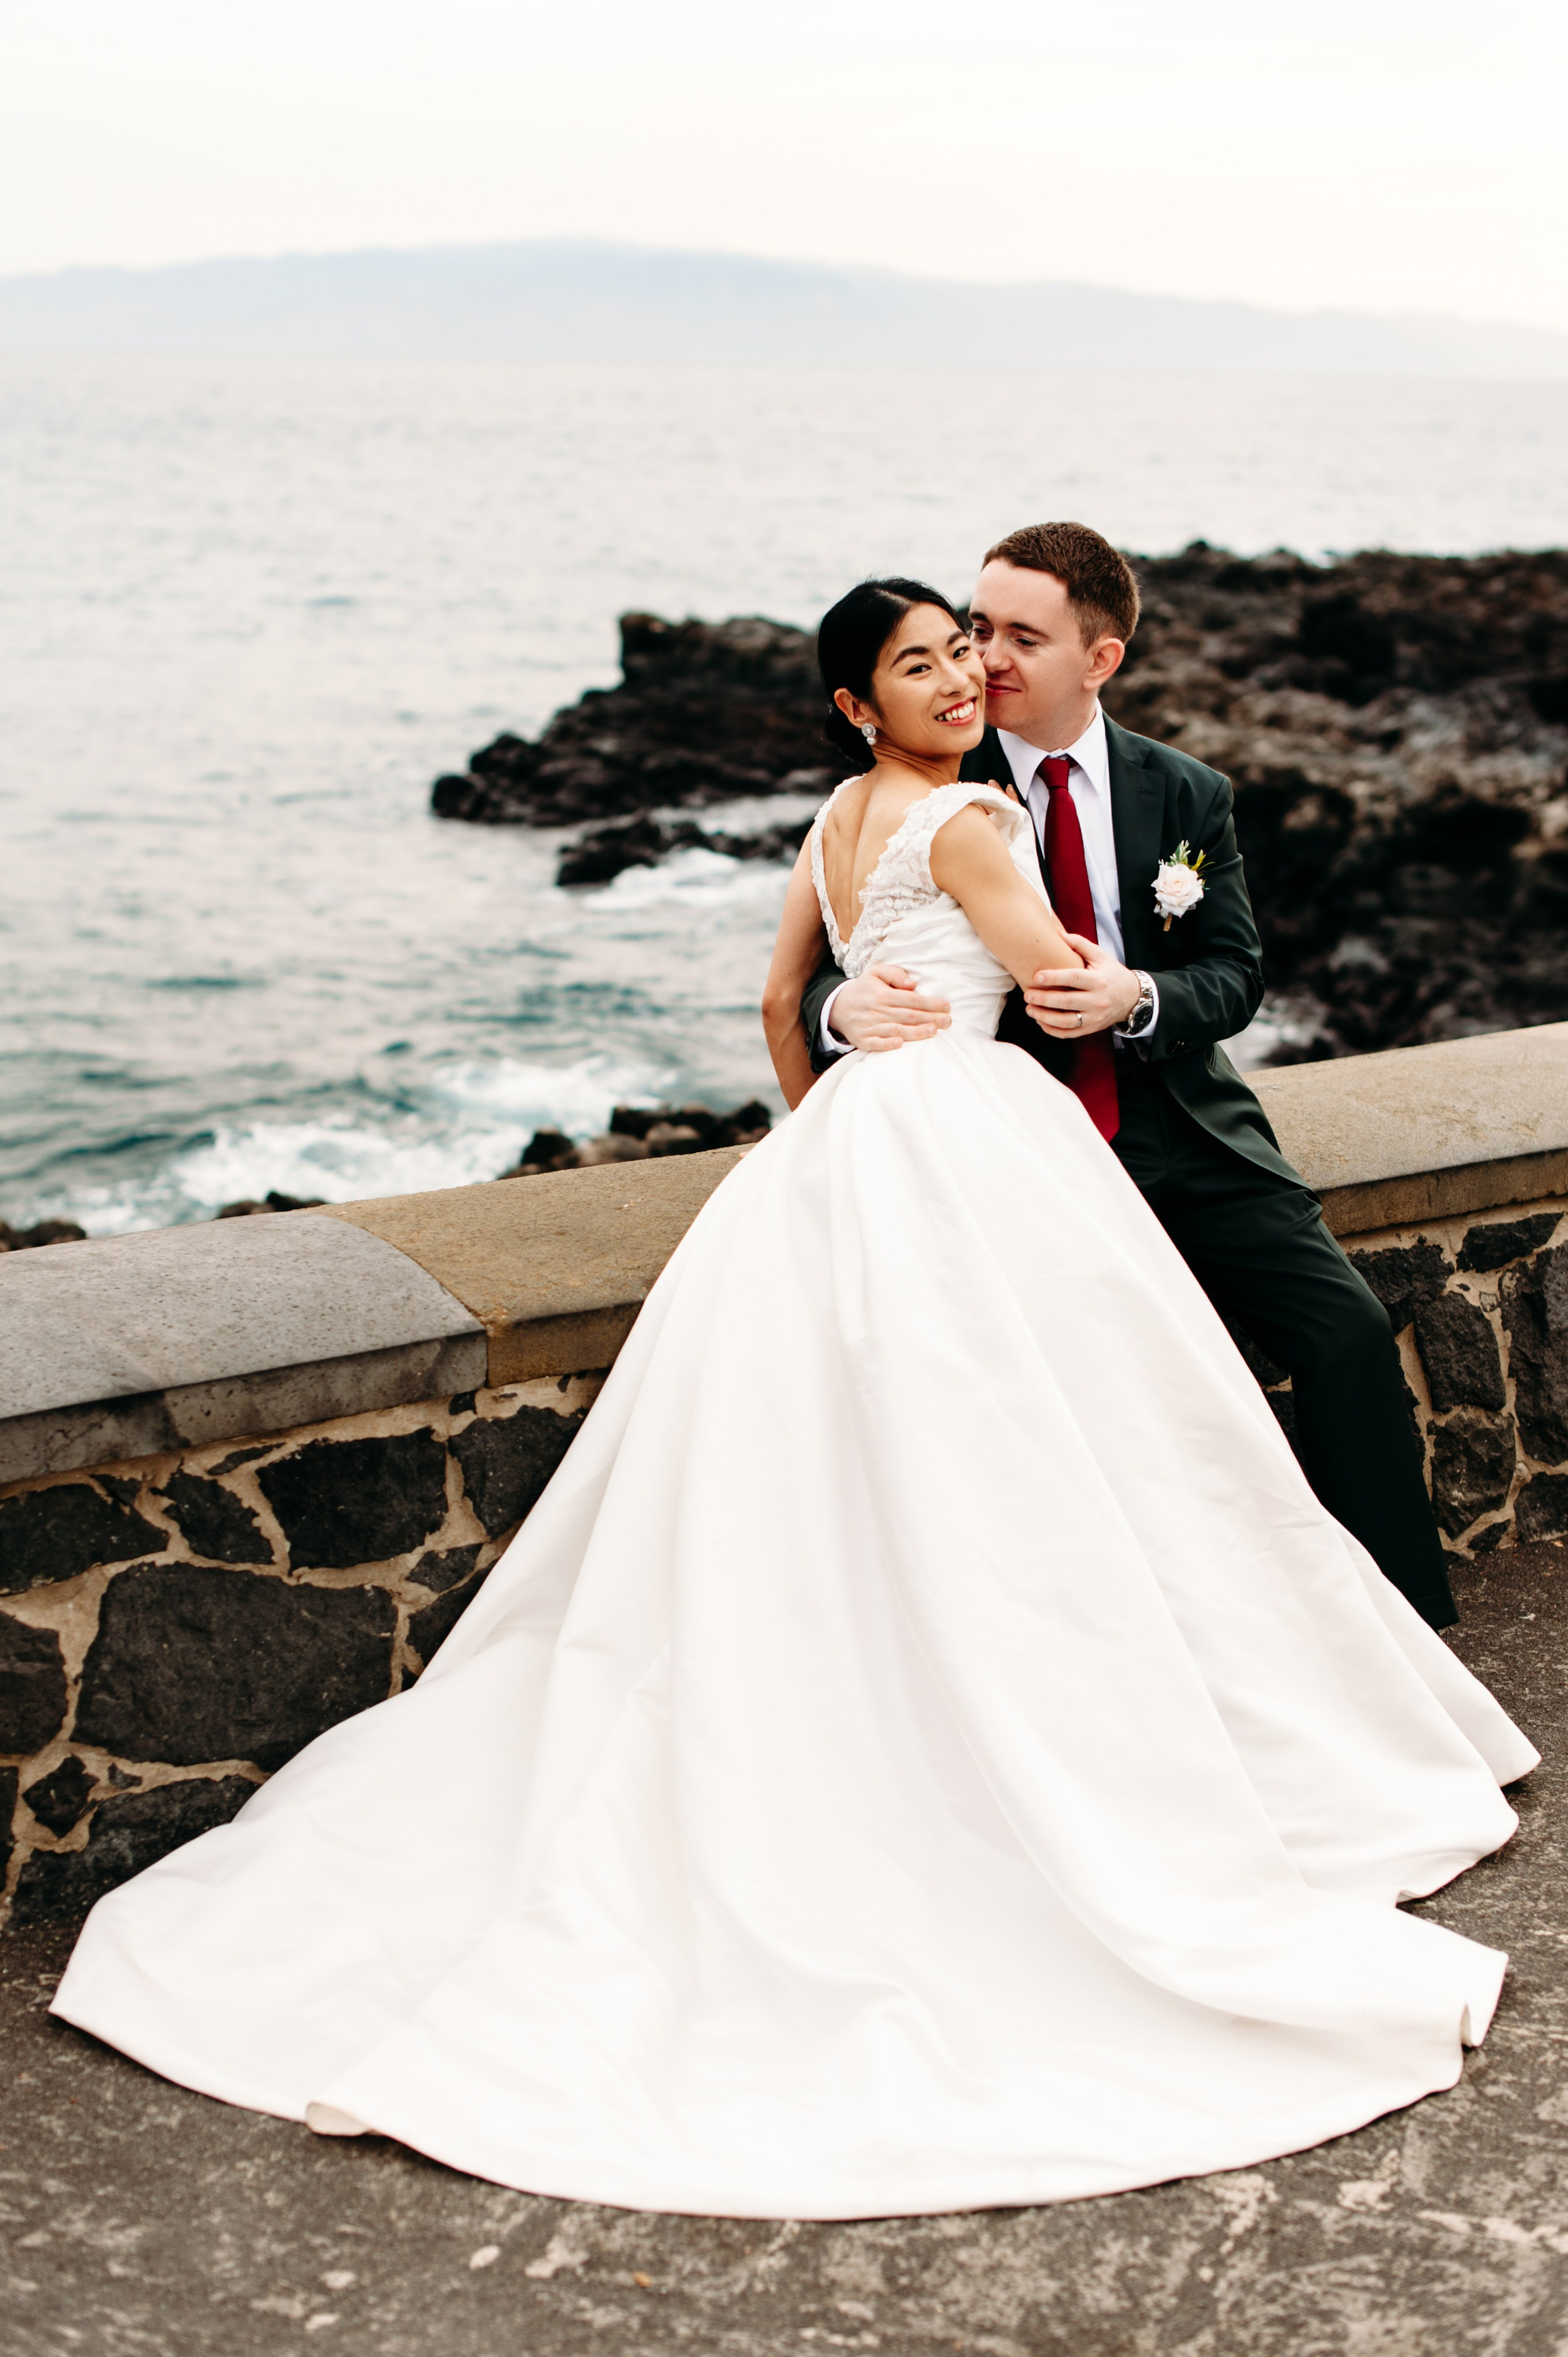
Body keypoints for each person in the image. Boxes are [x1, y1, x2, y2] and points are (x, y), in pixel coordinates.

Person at [52, 578, 1534, 2225]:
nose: (959, 678)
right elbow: (1051, 980)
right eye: (922, 663)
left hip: (836, 1150)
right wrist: (1065, 981)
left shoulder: (836, 819)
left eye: (963, 652)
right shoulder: (973, 819)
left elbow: (782, 1010)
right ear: (856, 702)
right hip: (973, 1148)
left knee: (835, 1467)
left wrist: (840, 1041)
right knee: (1049, 1456)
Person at [799, 523, 1458, 1632]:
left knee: (1344, 1329)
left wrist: (1137, 996)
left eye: (1020, 638)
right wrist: (840, 1007)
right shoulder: (941, 770)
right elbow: (847, 929)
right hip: (1015, 1141)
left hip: (1183, 1118)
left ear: (1099, 659)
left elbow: (1235, 974)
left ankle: (1405, 1627)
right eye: (975, 629)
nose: (982, 662)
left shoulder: (1186, 793)